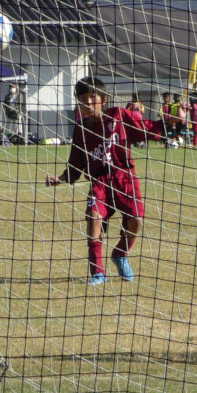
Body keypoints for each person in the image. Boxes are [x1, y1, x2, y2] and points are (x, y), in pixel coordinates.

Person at [44, 77, 160, 285]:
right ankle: (97, 272)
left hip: (125, 177)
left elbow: (146, 128)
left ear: (103, 99)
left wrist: (171, 121)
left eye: (92, 98)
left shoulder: (118, 116)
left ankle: (120, 254)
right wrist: (59, 179)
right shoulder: (80, 130)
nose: (88, 103)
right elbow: (75, 165)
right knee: (93, 218)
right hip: (99, 182)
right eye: (83, 99)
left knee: (136, 219)